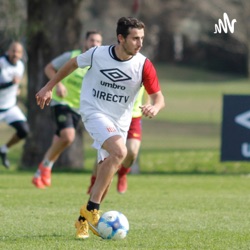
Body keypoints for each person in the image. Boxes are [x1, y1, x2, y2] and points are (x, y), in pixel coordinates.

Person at [35, 17, 165, 240]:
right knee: (120, 153)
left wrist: (155, 107)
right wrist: (49, 86)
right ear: (121, 38)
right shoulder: (97, 54)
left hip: (120, 121)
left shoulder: (143, 64)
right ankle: (93, 209)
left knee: (108, 170)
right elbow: (73, 63)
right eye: (135, 38)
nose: (140, 43)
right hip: (93, 111)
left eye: (142, 38)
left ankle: (83, 221)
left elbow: (159, 97)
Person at [32, 31, 102, 189]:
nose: (94, 44)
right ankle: (45, 168)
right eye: (92, 40)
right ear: (85, 41)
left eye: (98, 41)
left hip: (80, 108)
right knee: (68, 136)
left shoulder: (99, 64)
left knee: (60, 140)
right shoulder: (72, 56)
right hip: (62, 103)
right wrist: (58, 85)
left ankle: (42, 170)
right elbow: (49, 68)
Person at [87, 86, 146, 194]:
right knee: (105, 153)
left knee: (132, 151)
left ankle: (122, 173)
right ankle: (94, 182)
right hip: (112, 115)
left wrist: (151, 105)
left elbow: (153, 92)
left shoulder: (143, 69)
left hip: (134, 116)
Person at [0, 41, 29, 169]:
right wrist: (11, 84)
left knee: (24, 130)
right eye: (13, 51)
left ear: (21, 54)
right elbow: (10, 83)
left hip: (10, 106)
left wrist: (16, 89)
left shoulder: (20, 66)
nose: (15, 54)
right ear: (8, 51)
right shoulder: (1, 63)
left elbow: (16, 84)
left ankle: (4, 149)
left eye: (18, 52)